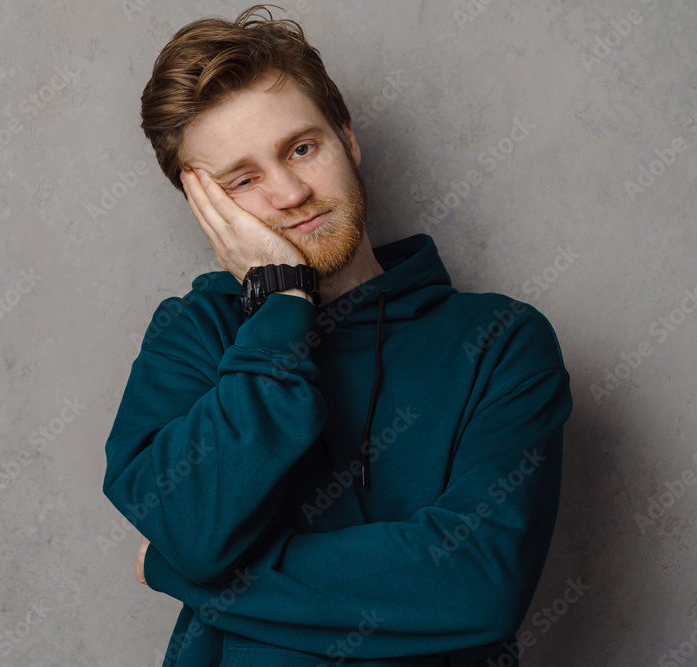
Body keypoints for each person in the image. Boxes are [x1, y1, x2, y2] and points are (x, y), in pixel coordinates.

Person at [102, 5, 573, 666]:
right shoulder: (195, 334)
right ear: (208, 210)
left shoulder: (501, 342)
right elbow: (190, 527)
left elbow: (474, 588)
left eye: (301, 148)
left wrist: (178, 572)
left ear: (346, 140)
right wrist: (281, 309)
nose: (291, 192)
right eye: (244, 180)